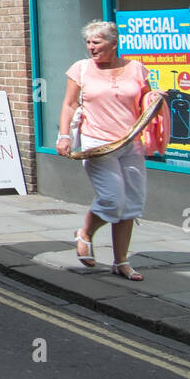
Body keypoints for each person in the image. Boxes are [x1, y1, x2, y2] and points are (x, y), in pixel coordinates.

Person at [57, 20, 166, 281]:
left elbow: (145, 102)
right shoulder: (80, 70)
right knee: (112, 199)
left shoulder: (137, 69)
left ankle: (121, 262)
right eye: (88, 42)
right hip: (97, 143)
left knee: (131, 203)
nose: (91, 47)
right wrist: (63, 136)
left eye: (97, 42)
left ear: (113, 44)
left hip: (130, 142)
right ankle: (85, 233)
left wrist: (156, 99)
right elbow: (69, 104)